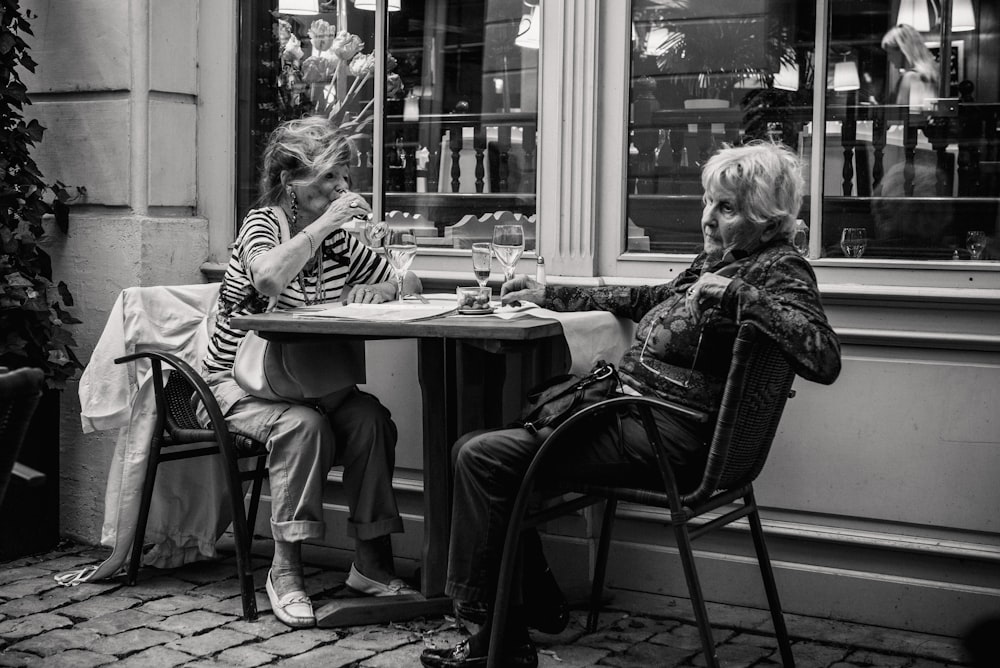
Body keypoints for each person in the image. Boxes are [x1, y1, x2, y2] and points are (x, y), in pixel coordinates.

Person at [420, 141, 842, 668]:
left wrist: (744, 300)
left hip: (667, 437)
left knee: (484, 459)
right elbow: (649, 299)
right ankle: (525, 610)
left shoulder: (779, 270)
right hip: (636, 417)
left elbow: (825, 358)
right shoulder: (724, 258)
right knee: (481, 452)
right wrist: (551, 294)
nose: (708, 218)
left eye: (727, 208)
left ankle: (496, 634)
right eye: (709, 202)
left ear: (765, 217)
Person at [200, 115, 421, 629]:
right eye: (329, 177)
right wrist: (325, 225)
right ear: (290, 181)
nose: (343, 186)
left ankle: (371, 562)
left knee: (369, 416)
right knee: (303, 425)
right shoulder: (263, 225)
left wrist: (385, 287)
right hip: (233, 385)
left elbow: (407, 278)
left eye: (344, 175)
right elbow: (268, 276)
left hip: (311, 385)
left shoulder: (342, 242)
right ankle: (285, 568)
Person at [881, 24, 939, 112]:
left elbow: (908, 117)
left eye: (890, 53)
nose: (889, 58)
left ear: (903, 50)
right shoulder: (928, 75)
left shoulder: (911, 77)